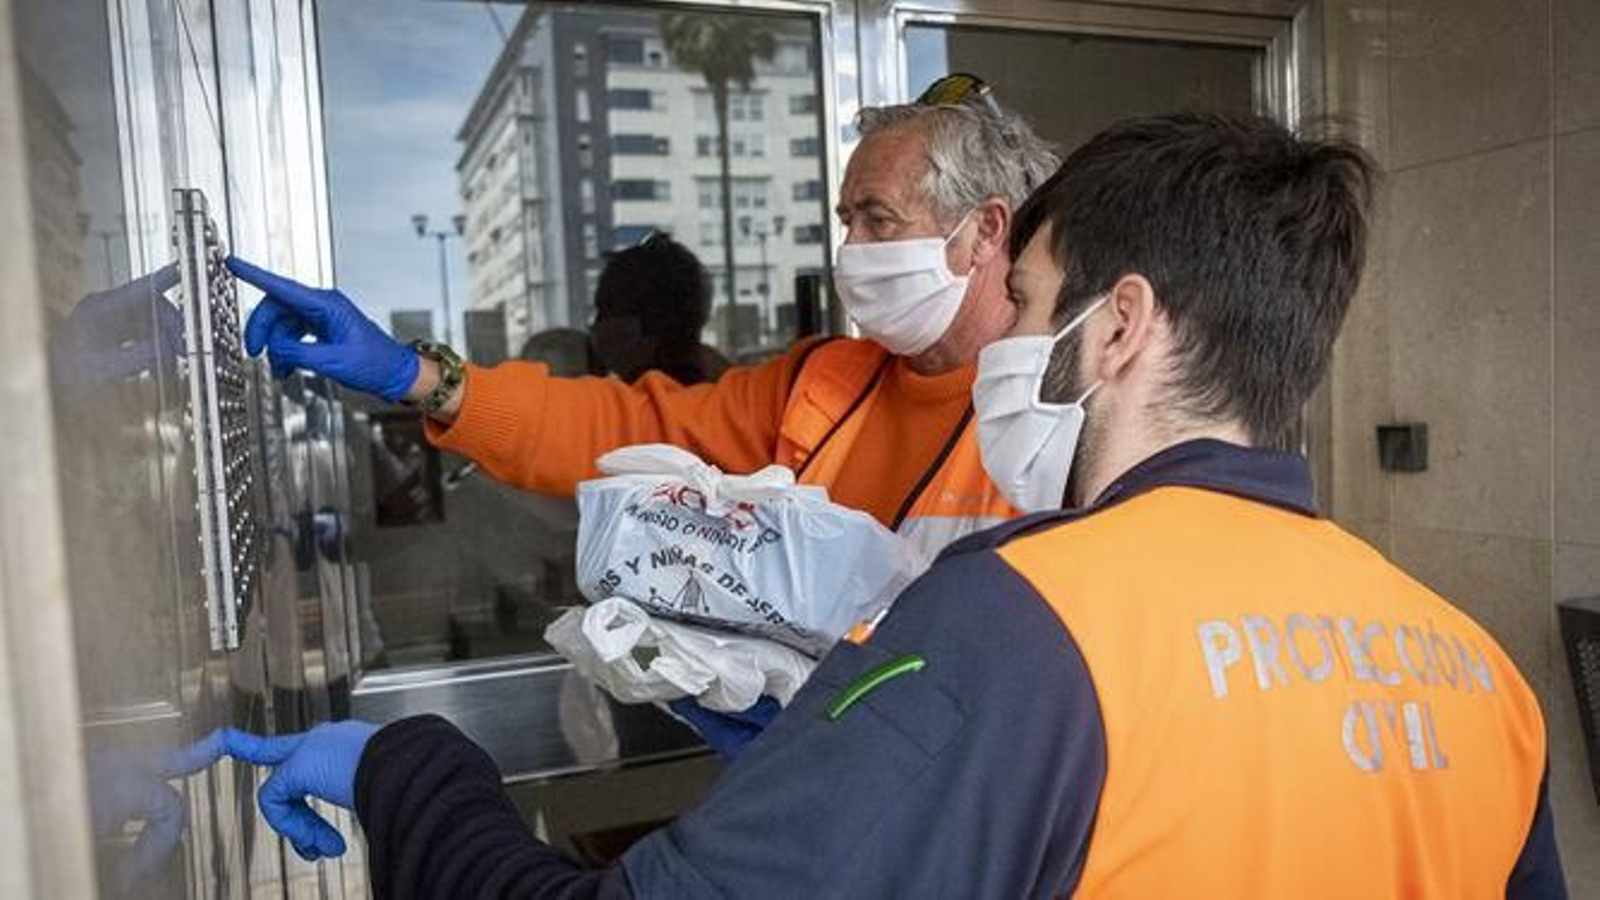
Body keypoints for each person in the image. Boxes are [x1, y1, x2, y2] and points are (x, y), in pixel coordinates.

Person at [206, 113, 1566, 897]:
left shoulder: (1027, 623)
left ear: (1120, 328)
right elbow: (634, 428)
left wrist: (407, 768)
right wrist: (426, 380)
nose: (1008, 359)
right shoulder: (1480, 677)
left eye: (1031, 310)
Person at [229, 76, 1060, 570]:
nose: (852, 250)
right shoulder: (824, 384)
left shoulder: (1070, 409)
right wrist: (424, 377)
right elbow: (625, 427)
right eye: (847, 221)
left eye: (878, 220)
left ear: (986, 231)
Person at [588, 232, 731, 386]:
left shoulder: (616, 404)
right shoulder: (731, 393)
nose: (597, 326)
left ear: (655, 321)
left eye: (606, 311)